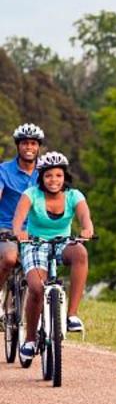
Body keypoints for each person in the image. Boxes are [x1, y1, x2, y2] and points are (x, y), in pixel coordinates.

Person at [15, 151, 94, 364]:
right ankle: (30, 340)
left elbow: (85, 216)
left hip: (62, 243)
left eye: (58, 175)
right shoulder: (31, 194)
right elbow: (19, 218)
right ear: (41, 177)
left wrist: (87, 229)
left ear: (64, 177)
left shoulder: (74, 195)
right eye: (49, 176)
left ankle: (72, 316)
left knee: (80, 252)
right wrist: (19, 232)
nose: (54, 180)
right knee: (37, 288)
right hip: (34, 244)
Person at [0, 124, 44, 289]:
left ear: (38, 146)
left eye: (33, 143)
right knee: (10, 258)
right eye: (24, 143)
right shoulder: (3, 171)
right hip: (6, 228)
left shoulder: (45, 173)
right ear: (18, 145)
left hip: (36, 231)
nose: (29, 147)